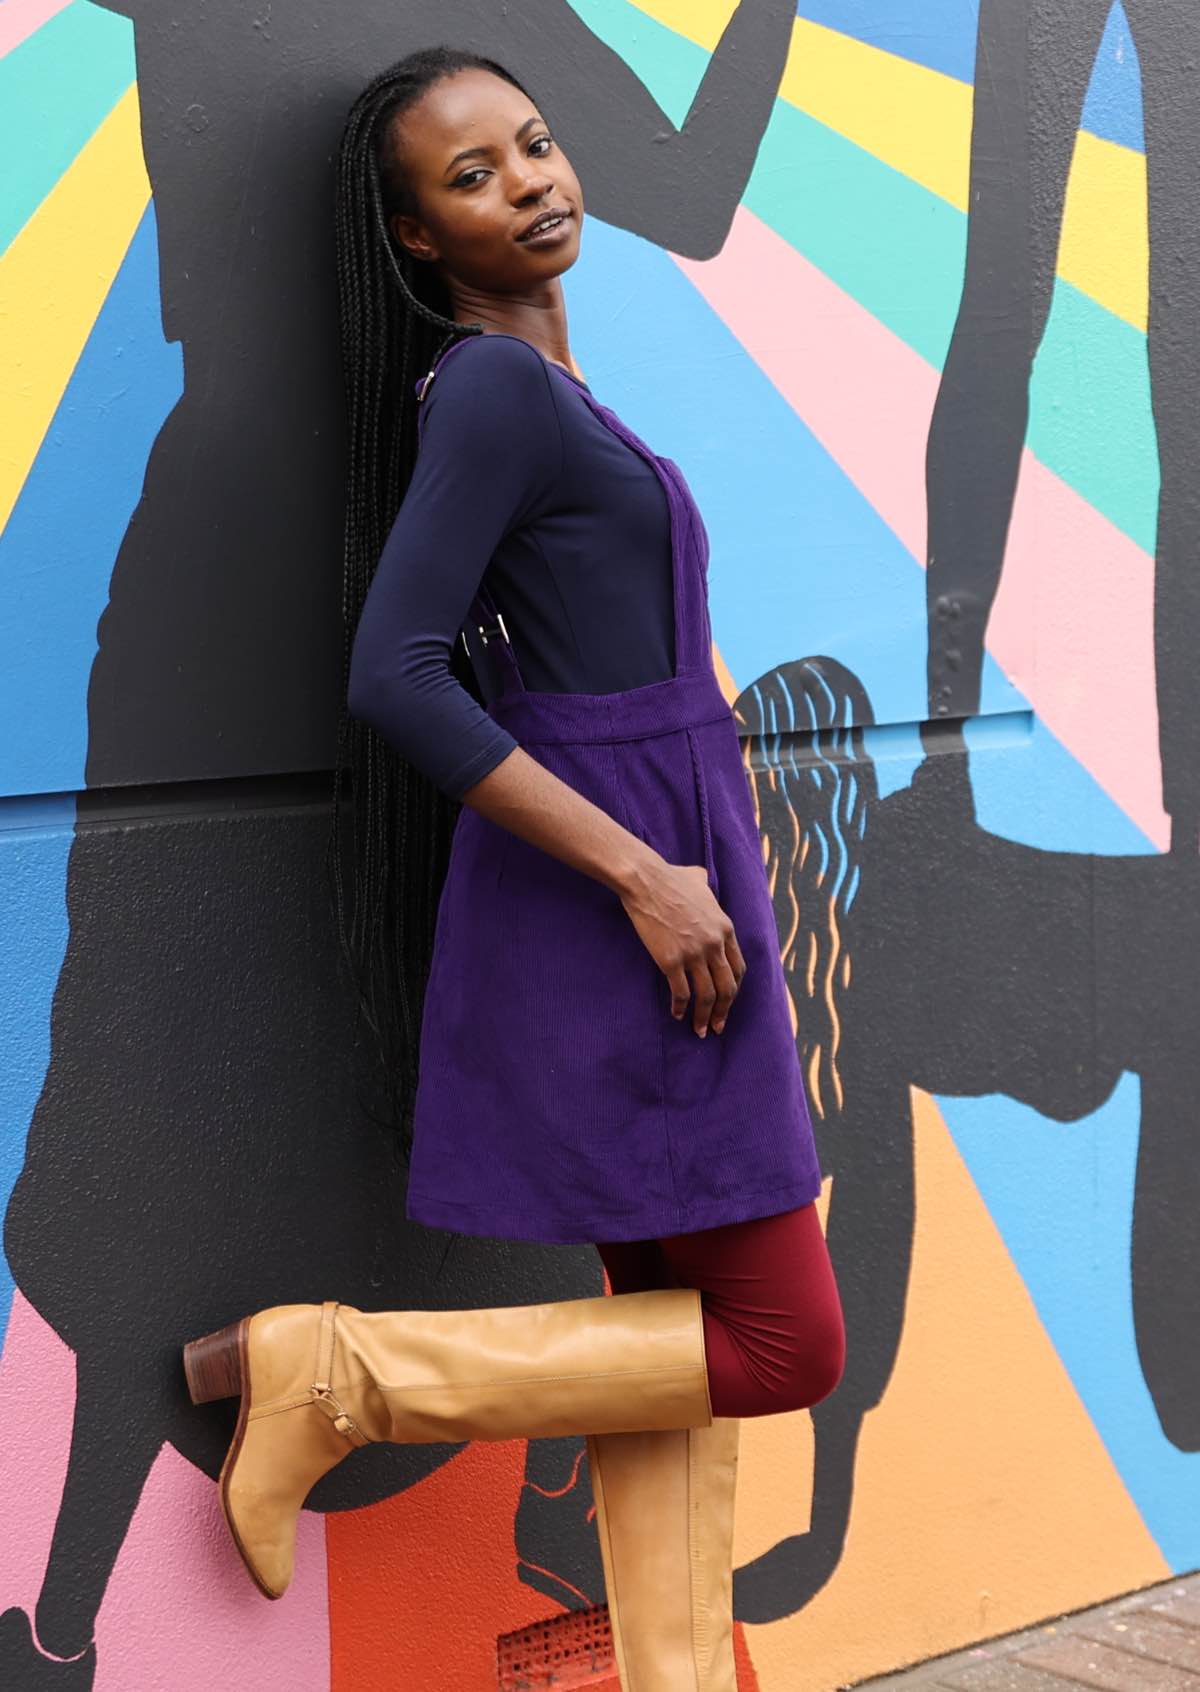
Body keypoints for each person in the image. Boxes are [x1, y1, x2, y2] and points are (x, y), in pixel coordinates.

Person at [183, 44, 845, 1688]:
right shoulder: (489, 386)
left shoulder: (550, 393)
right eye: (470, 177)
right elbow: (395, 671)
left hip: (660, 881)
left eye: (535, 146)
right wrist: (646, 875)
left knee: (661, 1352)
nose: (530, 181)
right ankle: (338, 1374)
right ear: (416, 239)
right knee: (776, 1341)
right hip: (629, 905)